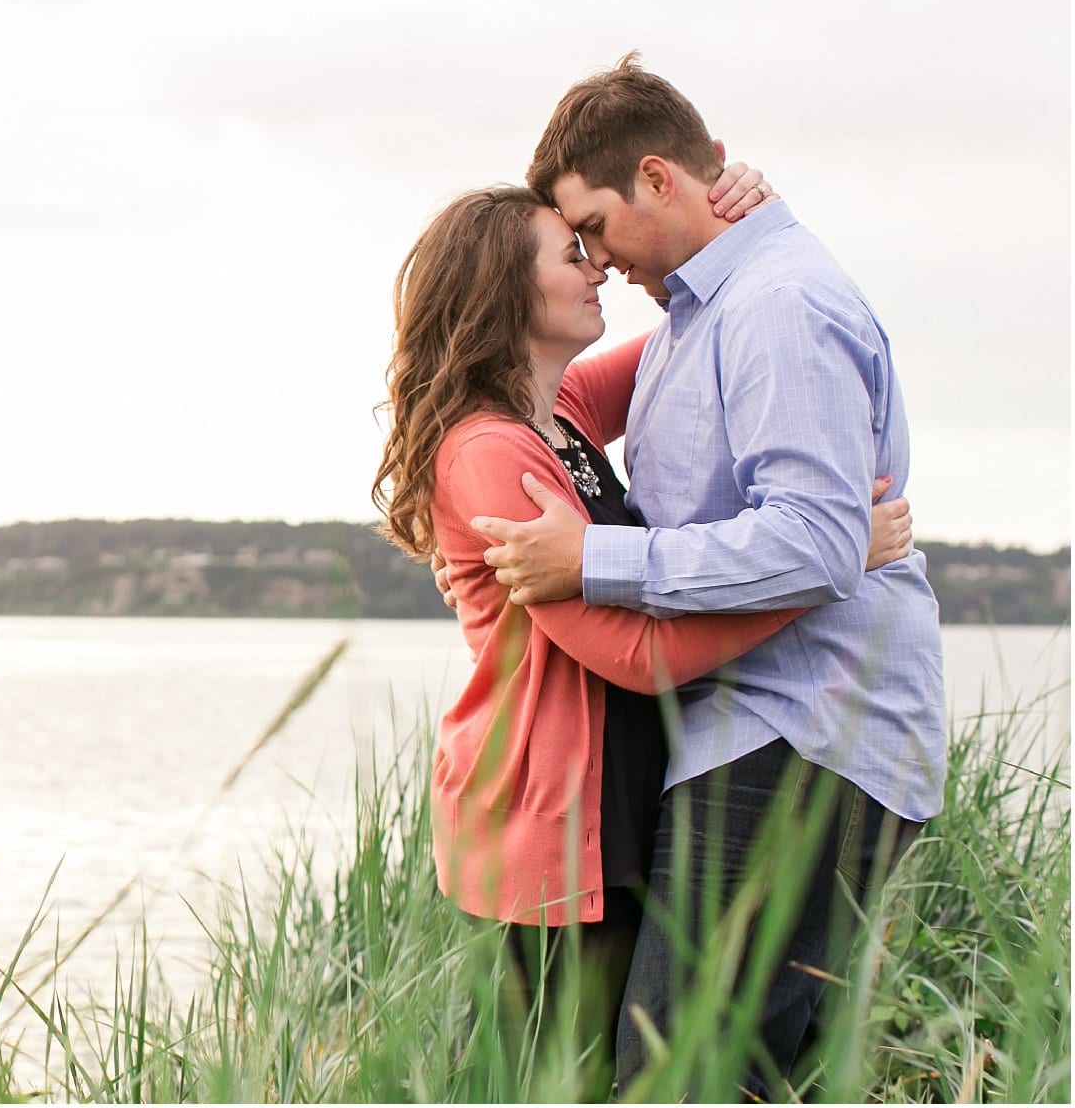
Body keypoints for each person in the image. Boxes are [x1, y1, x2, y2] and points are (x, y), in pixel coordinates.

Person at [368, 179, 911, 1093]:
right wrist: (829, 563)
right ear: (506, 289)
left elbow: (713, 315)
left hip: (616, 788)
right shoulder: (488, 452)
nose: (600, 270)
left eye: (593, 246)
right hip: (552, 812)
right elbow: (631, 653)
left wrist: (729, 213)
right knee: (568, 1079)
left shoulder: (565, 409)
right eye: (572, 254)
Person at [473, 54, 944, 1098]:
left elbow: (815, 543)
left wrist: (591, 558)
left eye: (592, 225)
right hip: (757, 735)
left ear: (656, 177)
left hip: (804, 731)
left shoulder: (774, 307)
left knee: (676, 1078)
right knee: (739, 1075)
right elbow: (521, 387)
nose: (592, 258)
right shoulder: (700, 316)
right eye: (571, 243)